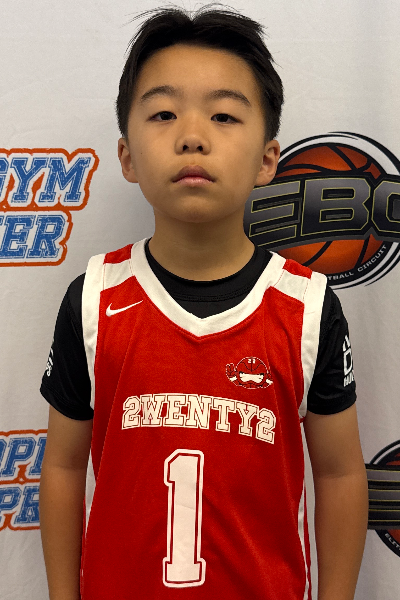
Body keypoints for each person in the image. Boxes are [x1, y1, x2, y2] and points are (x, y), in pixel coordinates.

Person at [39, 5, 368, 600]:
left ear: (267, 159)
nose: (192, 135)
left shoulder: (308, 308)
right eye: (164, 113)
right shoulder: (93, 299)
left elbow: (341, 474)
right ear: (127, 156)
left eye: (223, 115)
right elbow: (62, 467)